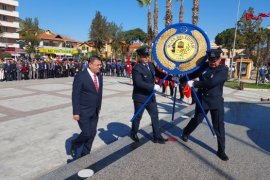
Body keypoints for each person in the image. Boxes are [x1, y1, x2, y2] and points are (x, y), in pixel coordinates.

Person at [181, 48, 229, 161]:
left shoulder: (223, 69)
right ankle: (186, 132)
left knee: (219, 126)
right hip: (202, 100)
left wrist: (195, 83)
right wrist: (181, 78)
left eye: (215, 60)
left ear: (219, 58)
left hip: (216, 102)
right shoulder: (204, 67)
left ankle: (221, 151)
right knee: (197, 120)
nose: (213, 62)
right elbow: (192, 74)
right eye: (210, 60)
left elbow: (212, 82)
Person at [130, 45, 170, 144]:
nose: (146, 58)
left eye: (147, 55)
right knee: (138, 116)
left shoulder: (151, 65)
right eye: (144, 56)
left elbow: (159, 74)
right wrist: (152, 86)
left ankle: (157, 136)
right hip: (140, 97)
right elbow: (138, 83)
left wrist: (171, 77)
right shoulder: (136, 68)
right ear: (139, 56)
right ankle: (133, 132)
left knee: (155, 115)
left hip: (150, 96)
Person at [71, 56, 103, 158]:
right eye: (97, 65)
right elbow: (75, 95)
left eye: (100, 65)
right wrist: (75, 112)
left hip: (95, 111)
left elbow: (99, 93)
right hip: (83, 111)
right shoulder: (81, 76)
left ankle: (85, 154)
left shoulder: (99, 76)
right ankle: (75, 144)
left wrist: (99, 107)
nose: (100, 67)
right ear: (90, 64)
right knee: (86, 133)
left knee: (93, 133)